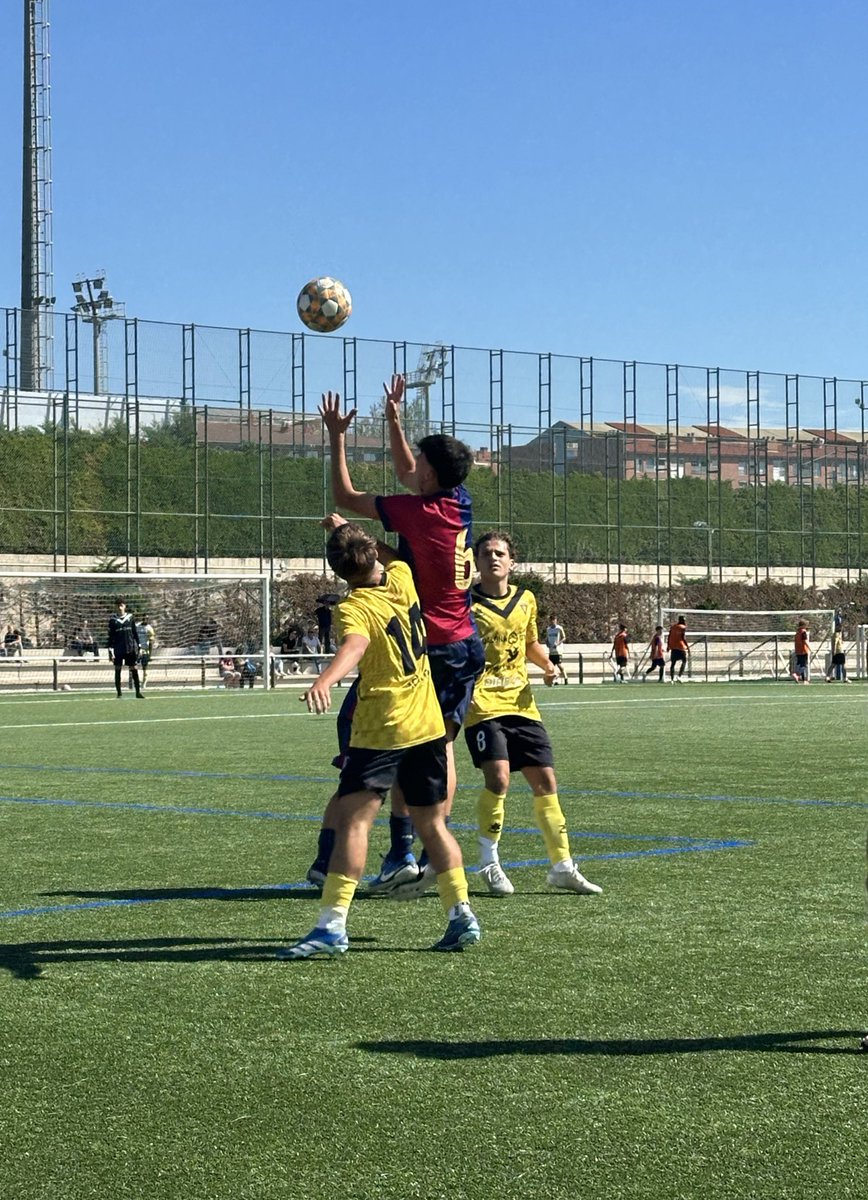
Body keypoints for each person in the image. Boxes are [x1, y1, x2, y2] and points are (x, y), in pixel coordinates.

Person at [307, 377, 484, 895]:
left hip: (439, 648)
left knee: (425, 748)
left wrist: (338, 437)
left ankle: (413, 855)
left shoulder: (416, 512)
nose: (410, 470)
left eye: (419, 464)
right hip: (460, 640)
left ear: (431, 472)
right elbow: (404, 544)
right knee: (430, 746)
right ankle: (411, 853)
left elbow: (347, 494)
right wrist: (393, 421)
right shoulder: (457, 500)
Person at [279, 522, 480, 958]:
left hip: (383, 726)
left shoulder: (353, 606)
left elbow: (354, 645)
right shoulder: (404, 578)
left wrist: (325, 679)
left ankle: (331, 927)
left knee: (353, 822)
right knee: (433, 825)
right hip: (427, 722)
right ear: (373, 556)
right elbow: (394, 558)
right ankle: (461, 913)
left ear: (336, 570)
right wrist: (356, 532)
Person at [465, 532, 602, 898]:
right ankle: (489, 861)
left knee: (546, 781)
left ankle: (562, 867)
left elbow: (529, 643)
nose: (494, 558)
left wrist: (547, 665)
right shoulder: (465, 603)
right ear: (476, 562)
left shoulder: (526, 600)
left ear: (512, 561)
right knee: (499, 779)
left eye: (501, 553)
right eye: (487, 554)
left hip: (523, 704)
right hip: (482, 705)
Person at [108, 598, 143, 699]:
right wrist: (110, 650)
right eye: (118, 605)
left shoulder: (130, 617)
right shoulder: (113, 620)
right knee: (117, 670)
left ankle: (138, 692)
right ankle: (119, 693)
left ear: (124, 606)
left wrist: (139, 645)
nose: (119, 607)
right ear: (115, 607)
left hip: (130, 648)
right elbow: (111, 637)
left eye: (121, 605)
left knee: (134, 669)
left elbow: (135, 632)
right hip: (118, 649)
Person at [544, 614, 569, 684]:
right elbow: (547, 639)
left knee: (559, 665)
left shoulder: (559, 628)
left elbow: (564, 637)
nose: (553, 622)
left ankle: (566, 678)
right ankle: (555, 680)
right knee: (551, 666)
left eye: (554, 620)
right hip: (551, 651)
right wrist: (547, 643)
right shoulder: (548, 629)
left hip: (558, 651)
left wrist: (558, 643)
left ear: (556, 620)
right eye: (552, 620)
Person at [133, 613, 155, 689]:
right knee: (134, 666)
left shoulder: (149, 629)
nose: (145, 620)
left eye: (147, 618)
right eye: (144, 618)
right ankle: (135, 682)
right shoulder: (137, 626)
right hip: (137, 650)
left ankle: (144, 683)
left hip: (145, 650)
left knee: (144, 667)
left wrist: (150, 654)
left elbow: (151, 642)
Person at [667, 616, 690, 682]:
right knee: (684, 661)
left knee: (673, 664)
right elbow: (683, 638)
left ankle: (672, 679)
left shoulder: (673, 627)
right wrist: (687, 647)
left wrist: (668, 646)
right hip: (681, 647)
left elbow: (669, 636)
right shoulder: (683, 627)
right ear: (682, 620)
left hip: (673, 647)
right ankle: (679, 676)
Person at [792, 620, 810, 684]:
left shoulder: (797, 632)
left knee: (799, 664)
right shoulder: (803, 632)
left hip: (798, 650)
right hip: (803, 650)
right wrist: (810, 648)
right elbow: (805, 641)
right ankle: (797, 675)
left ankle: (803, 679)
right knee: (804, 665)